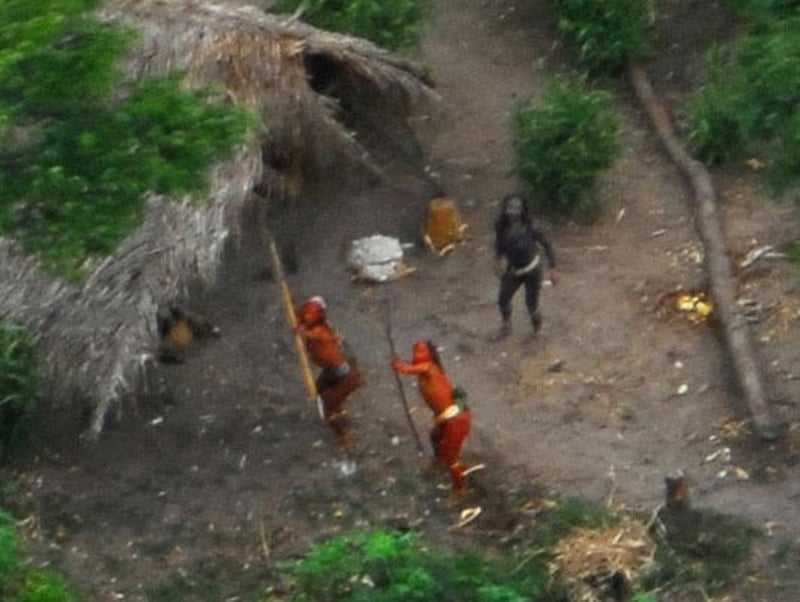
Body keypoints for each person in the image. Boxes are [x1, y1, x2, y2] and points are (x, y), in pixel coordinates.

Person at [391, 340, 472, 495]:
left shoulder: (428, 367)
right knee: (434, 437)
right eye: (415, 352)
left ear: (430, 355)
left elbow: (409, 369)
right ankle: (439, 461)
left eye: (422, 352)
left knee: (451, 458)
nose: (417, 355)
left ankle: (459, 488)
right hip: (444, 418)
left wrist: (400, 366)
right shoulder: (423, 371)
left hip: (456, 419)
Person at [295, 296, 362, 450]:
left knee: (328, 406)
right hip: (331, 370)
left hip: (345, 375)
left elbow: (311, 334)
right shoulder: (312, 324)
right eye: (306, 313)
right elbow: (300, 322)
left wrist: (300, 331)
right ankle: (340, 414)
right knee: (320, 390)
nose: (307, 316)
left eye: (312, 314)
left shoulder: (322, 330)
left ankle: (344, 437)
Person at [492, 194, 559, 339]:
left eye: (516, 212)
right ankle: (506, 324)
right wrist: (497, 261)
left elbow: (546, 245)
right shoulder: (501, 225)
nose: (513, 216)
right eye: (510, 212)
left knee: (531, 304)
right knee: (503, 298)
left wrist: (552, 268)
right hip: (514, 269)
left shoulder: (531, 227)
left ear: (522, 212)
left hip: (532, 269)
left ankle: (537, 330)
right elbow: (499, 244)